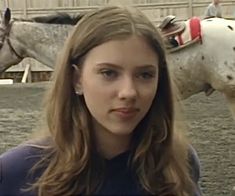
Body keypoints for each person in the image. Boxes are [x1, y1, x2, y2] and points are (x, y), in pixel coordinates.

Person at [0, 6, 202, 196]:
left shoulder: (179, 163)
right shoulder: (15, 174)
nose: (128, 92)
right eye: (109, 73)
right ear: (76, 79)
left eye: (145, 75)